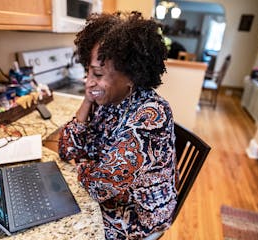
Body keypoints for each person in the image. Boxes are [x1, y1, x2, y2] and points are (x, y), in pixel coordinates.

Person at [58, 11, 178, 240]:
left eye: (98, 73)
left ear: (132, 76)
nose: (89, 81)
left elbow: (99, 186)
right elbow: (66, 149)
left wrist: (82, 163)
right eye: (88, 72)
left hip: (138, 214)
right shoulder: (108, 99)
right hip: (109, 198)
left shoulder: (152, 115)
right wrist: (87, 101)